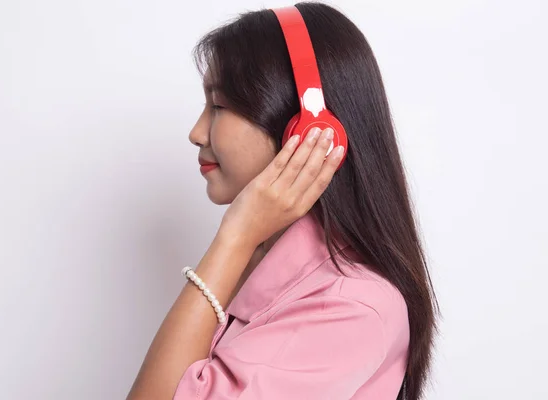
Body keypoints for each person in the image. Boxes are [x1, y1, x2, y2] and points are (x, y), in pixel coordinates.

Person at [127, 2, 438, 399]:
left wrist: (234, 238)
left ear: (309, 129)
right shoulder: (263, 265)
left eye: (218, 106)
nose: (196, 132)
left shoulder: (350, 306)